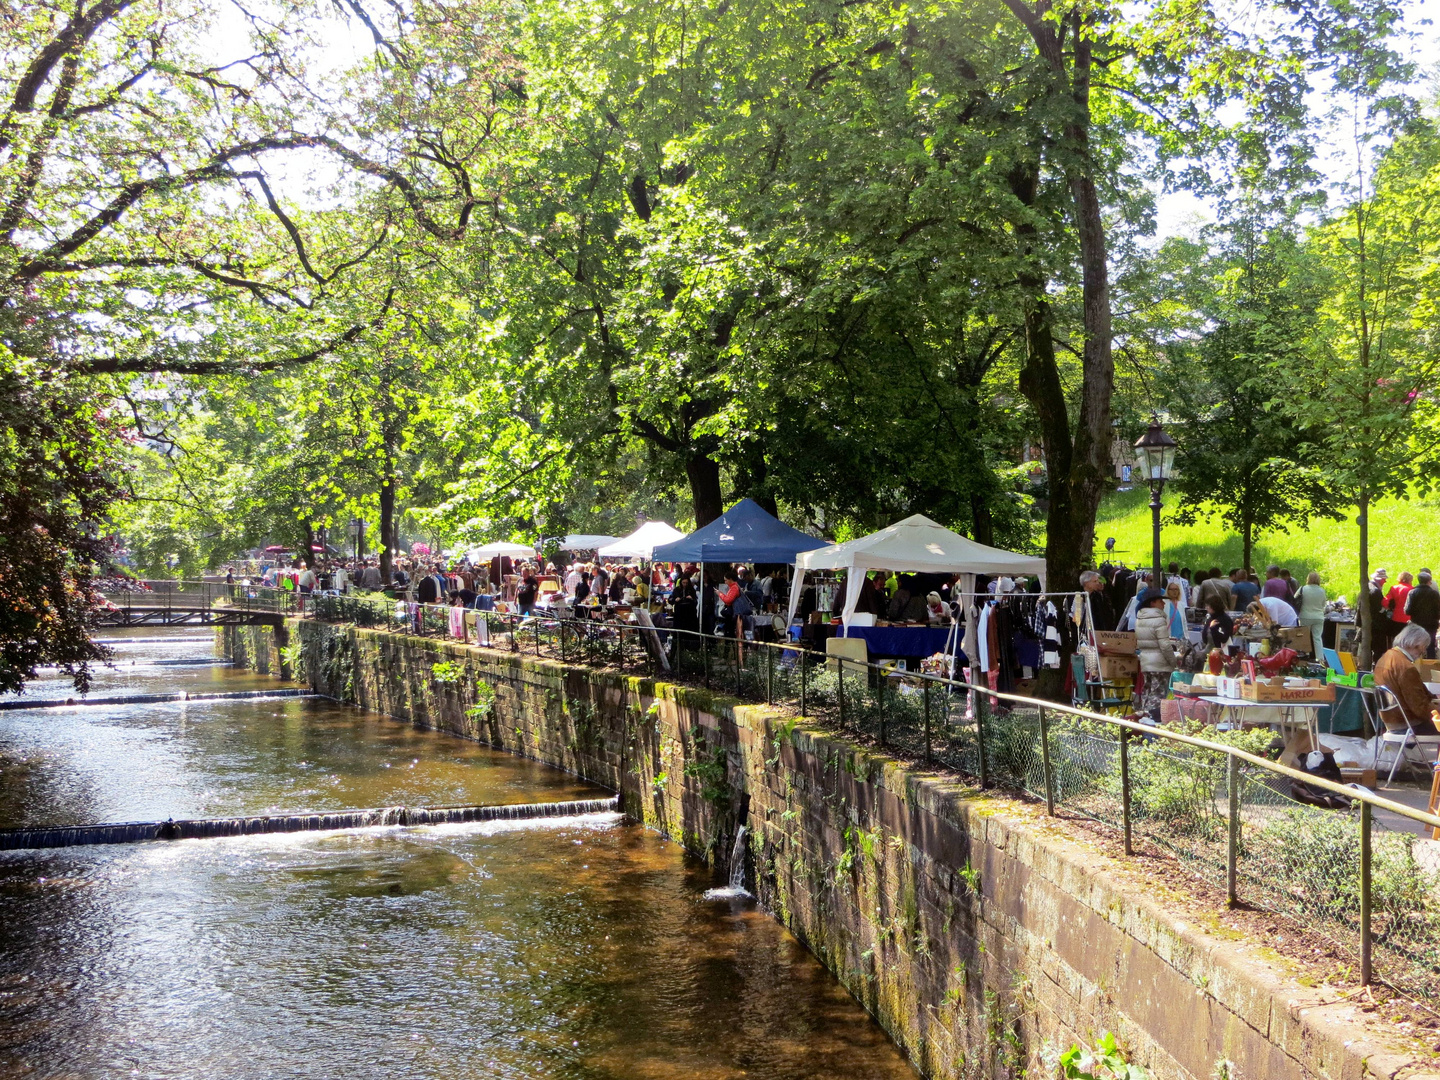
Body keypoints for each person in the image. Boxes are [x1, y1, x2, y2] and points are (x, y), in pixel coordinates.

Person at [1373, 623, 1440, 735]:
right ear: (1416, 645)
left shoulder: (1385, 657)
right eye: (1424, 647)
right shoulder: (1406, 667)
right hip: (1407, 724)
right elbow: (1420, 708)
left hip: (1391, 720)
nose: (1423, 652)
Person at [1135, 588, 1176, 721]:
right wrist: (1173, 661)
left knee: (1148, 693)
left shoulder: (1140, 618)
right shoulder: (1158, 619)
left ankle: (1143, 719)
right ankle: (1152, 724)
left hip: (1146, 661)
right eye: (1161, 601)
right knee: (1158, 696)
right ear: (1152, 603)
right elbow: (1164, 645)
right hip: (1160, 664)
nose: (1163, 604)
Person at [1405, 570, 1440, 659]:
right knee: (1431, 645)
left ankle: (1416, 666)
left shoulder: (1412, 592)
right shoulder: (1434, 594)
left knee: (1415, 645)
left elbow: (1407, 611)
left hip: (1416, 624)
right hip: (1431, 624)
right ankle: (1430, 667)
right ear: (1429, 581)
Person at [1368, 568, 1398, 655]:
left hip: (1370, 622)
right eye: (1384, 579)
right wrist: (1387, 609)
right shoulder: (1375, 591)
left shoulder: (1368, 586)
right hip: (1375, 624)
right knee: (1378, 648)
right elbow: (1380, 609)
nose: (1385, 582)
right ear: (1380, 579)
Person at [1294, 571, 1328, 644]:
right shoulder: (1322, 591)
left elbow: (1294, 599)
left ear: (1308, 579)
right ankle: (1319, 655)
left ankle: (1305, 653)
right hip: (1318, 617)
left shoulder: (1302, 589)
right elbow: (1323, 604)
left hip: (1305, 616)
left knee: (1304, 637)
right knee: (1317, 638)